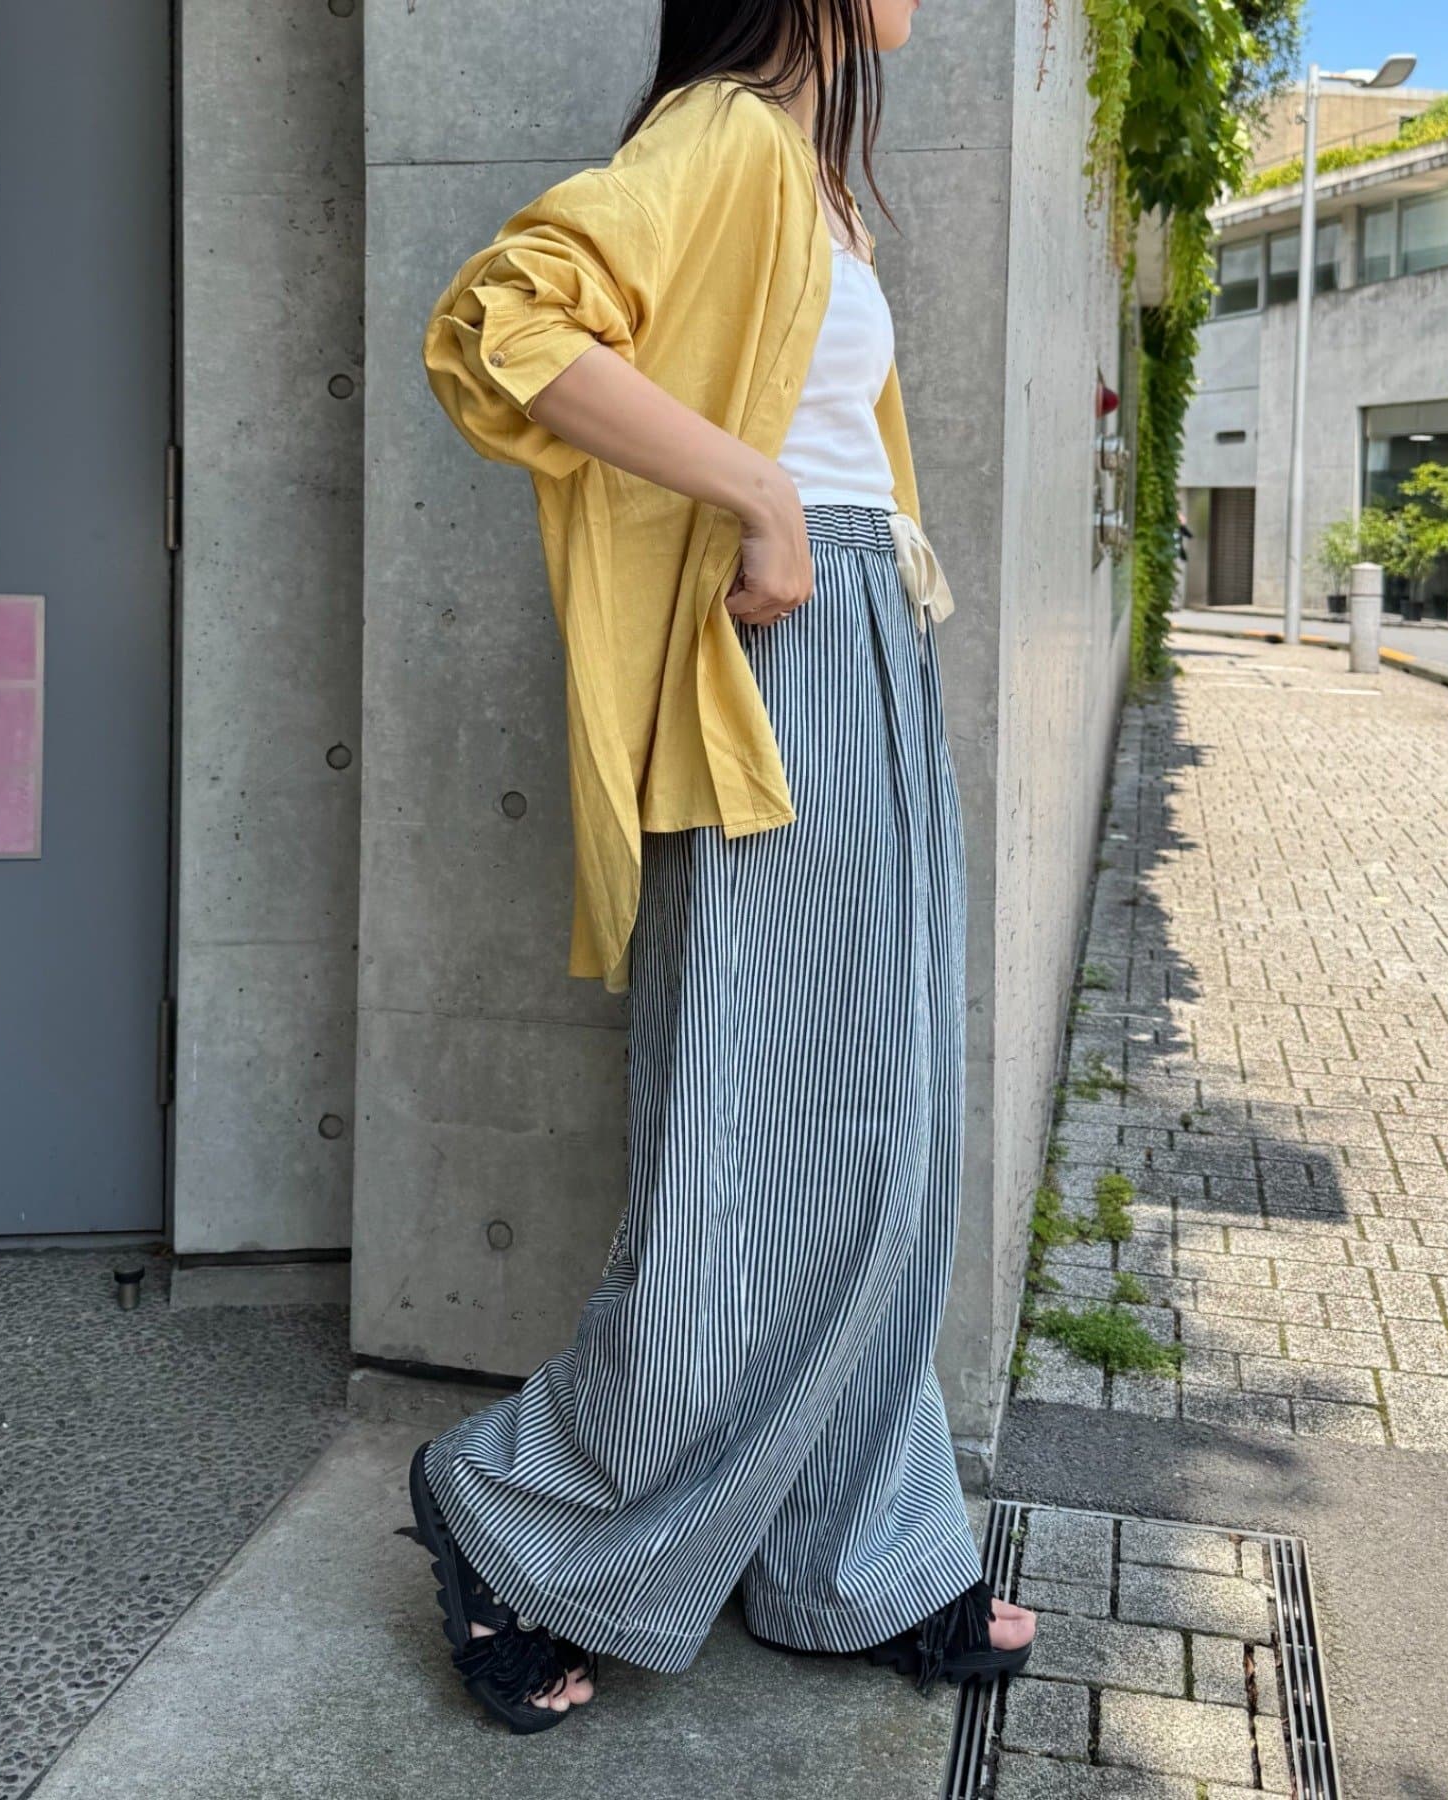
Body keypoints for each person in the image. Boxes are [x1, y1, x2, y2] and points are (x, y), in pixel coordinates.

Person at [408, 0, 1037, 1734]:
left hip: (868, 659)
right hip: (788, 672)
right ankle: (514, 1516)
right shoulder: (729, 133)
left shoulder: (813, 175)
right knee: (771, 1152)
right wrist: (758, 497)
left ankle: (853, 1553)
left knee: (888, 1143)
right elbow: (505, 320)